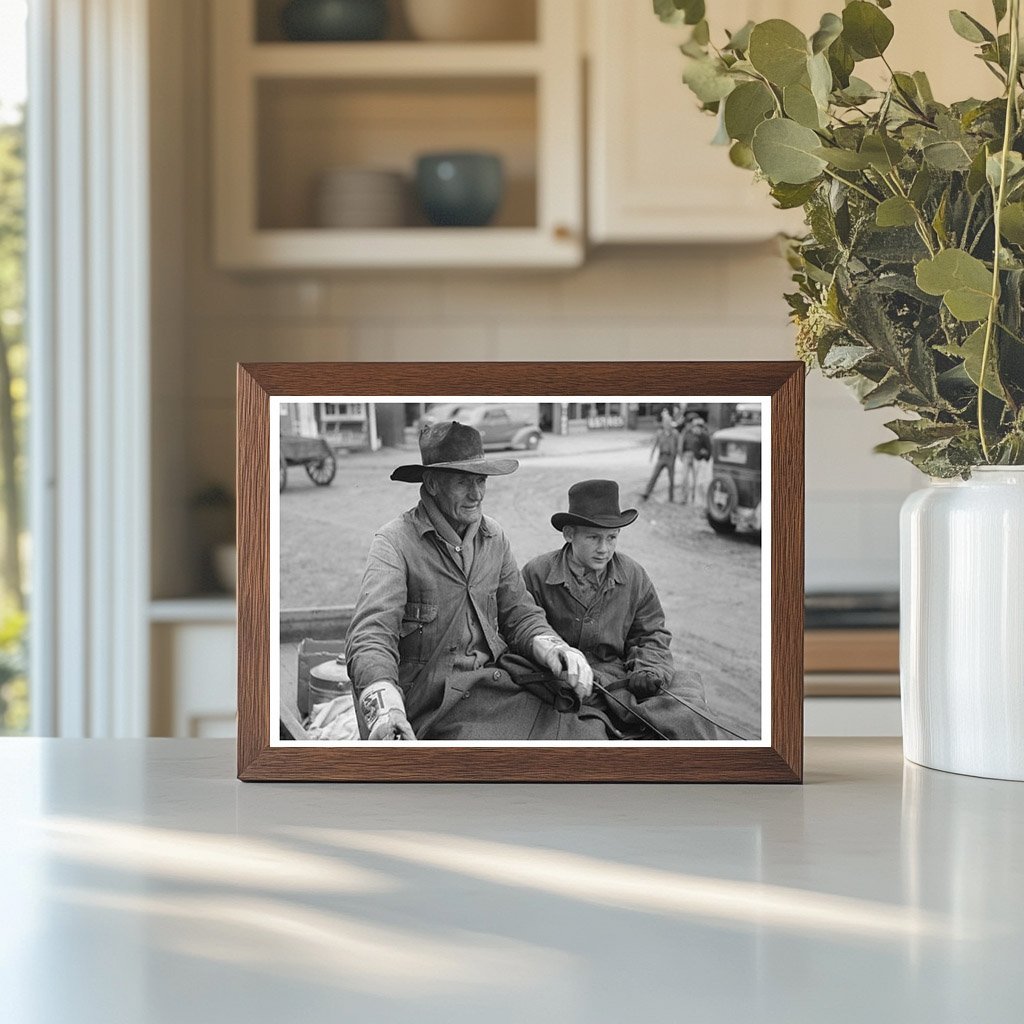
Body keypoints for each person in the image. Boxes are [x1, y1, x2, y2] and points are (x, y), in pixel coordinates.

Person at [345, 420, 609, 742]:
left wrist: (554, 647)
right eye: (462, 482)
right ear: (431, 483)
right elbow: (371, 635)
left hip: (488, 687)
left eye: (481, 480)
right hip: (430, 707)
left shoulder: (493, 537)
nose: (477, 494)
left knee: (587, 726)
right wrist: (387, 709)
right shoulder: (394, 542)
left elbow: (520, 613)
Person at [521, 479, 736, 740]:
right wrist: (557, 665)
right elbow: (522, 629)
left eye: (611, 538)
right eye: (593, 537)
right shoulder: (536, 573)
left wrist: (648, 670)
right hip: (559, 685)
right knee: (575, 738)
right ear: (569, 534)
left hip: (620, 681)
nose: (604, 549)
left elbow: (651, 634)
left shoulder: (633, 575)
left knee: (688, 717)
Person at [641, 411, 679, 502]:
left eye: (668, 422)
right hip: (662, 457)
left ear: (671, 423)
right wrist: (651, 456)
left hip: (670, 458)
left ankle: (671, 498)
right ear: (663, 424)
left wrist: (677, 456)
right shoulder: (659, 433)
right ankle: (646, 493)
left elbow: (678, 446)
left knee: (671, 479)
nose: (667, 424)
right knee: (654, 476)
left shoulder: (675, 434)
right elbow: (655, 445)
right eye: (665, 422)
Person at [678, 415, 711, 504]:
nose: (689, 425)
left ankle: (693, 498)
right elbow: (681, 444)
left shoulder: (697, 432)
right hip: (686, 455)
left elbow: (703, 443)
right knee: (684, 478)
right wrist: (680, 454)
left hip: (696, 457)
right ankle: (684, 497)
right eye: (688, 423)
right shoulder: (685, 433)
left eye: (690, 423)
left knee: (695, 479)